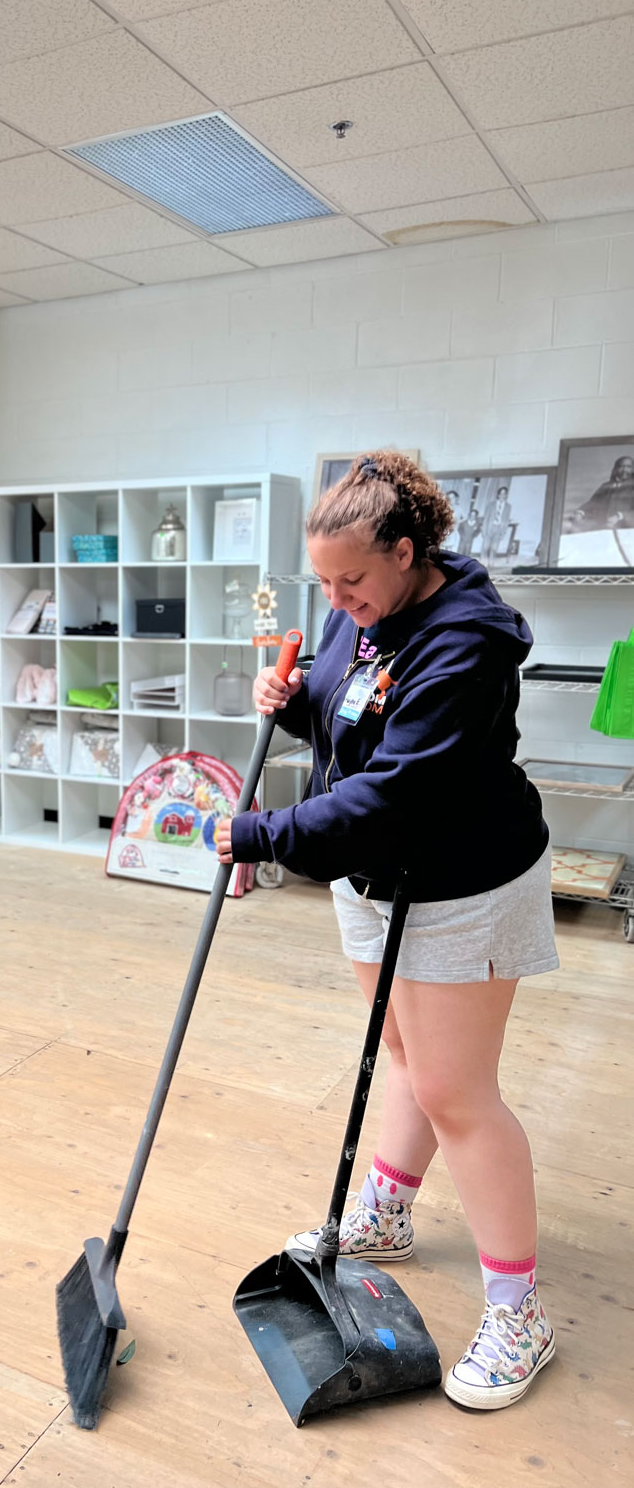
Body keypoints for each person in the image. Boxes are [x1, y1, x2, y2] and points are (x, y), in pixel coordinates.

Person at [214, 450, 558, 1411]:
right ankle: (389, 1211)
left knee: (457, 1090)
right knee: (396, 1047)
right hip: (371, 870)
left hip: (461, 879)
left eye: (352, 581)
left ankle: (518, 1311)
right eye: (322, 582)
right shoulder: (352, 603)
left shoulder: (468, 640)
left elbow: (402, 786)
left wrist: (256, 834)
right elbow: (350, 717)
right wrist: (293, 708)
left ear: (406, 552)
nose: (336, 599)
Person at [564, 454, 634, 532]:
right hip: (603, 529)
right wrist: (580, 512)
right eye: (621, 466)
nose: (624, 470)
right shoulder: (606, 486)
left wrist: (620, 516)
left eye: (628, 467)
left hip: (626, 531)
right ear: (615, 469)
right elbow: (593, 503)